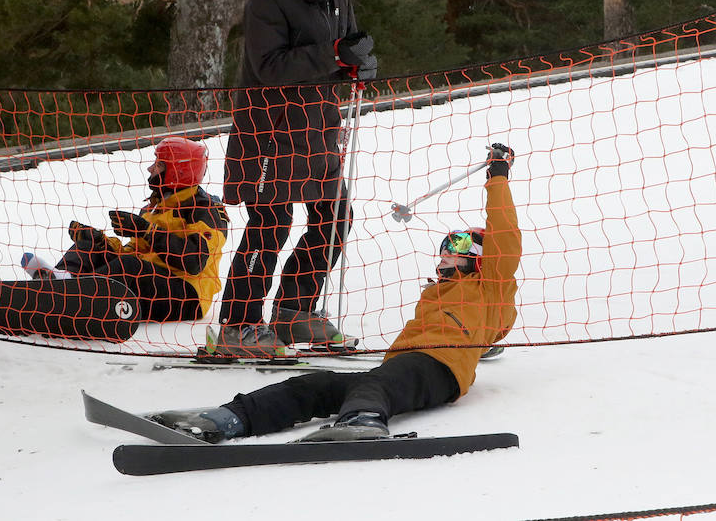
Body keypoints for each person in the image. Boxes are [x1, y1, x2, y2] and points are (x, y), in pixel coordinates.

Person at [148, 143, 518, 443]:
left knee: (376, 385)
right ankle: (229, 417)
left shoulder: (490, 286)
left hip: (441, 369)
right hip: (398, 369)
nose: (449, 248)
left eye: (462, 242)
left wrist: (497, 176)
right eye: (448, 241)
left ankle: (365, 421)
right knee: (314, 384)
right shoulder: (438, 294)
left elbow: (504, 235)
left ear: (483, 258)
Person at [217, 0, 378, 357]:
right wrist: (332, 54)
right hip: (269, 131)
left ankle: (294, 311)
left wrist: (355, 64)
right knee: (271, 223)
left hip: (317, 129)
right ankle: (238, 325)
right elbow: (270, 68)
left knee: (334, 218)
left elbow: (338, 55)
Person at [21, 137, 229, 322]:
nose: (150, 169)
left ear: (177, 169)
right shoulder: (153, 207)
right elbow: (134, 254)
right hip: (150, 282)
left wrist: (146, 231)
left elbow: (193, 261)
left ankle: (76, 296)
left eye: (158, 165)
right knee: (91, 245)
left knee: (131, 265)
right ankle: (56, 287)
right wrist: (102, 243)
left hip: (186, 296)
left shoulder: (206, 209)